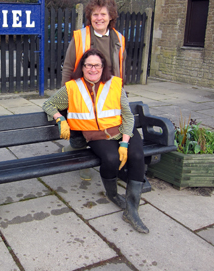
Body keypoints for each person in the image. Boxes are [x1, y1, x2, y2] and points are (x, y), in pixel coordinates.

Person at [43, 48, 148, 234]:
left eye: (97, 65)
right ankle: (113, 194)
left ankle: (131, 209)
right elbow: (48, 104)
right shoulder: (72, 87)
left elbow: (128, 116)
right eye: (88, 65)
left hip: (123, 130)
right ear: (82, 68)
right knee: (110, 158)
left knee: (137, 155)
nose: (93, 69)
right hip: (96, 135)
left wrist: (124, 143)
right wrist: (60, 119)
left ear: (103, 67)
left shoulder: (115, 84)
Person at [61, 0, 126, 181]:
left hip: (108, 93)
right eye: (95, 14)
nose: (99, 18)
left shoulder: (119, 39)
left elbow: (120, 69)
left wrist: (122, 93)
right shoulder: (80, 37)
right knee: (80, 132)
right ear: (90, 17)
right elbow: (68, 66)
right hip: (84, 91)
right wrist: (67, 94)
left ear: (110, 16)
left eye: (103, 14)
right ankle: (81, 161)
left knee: (109, 128)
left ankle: (115, 162)